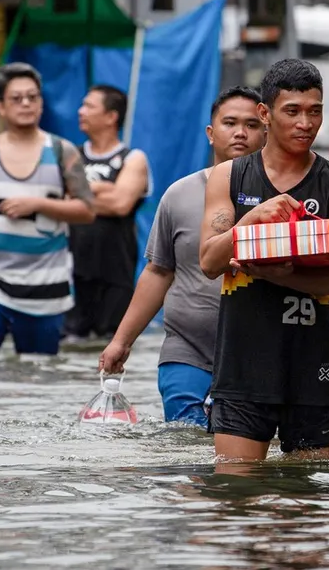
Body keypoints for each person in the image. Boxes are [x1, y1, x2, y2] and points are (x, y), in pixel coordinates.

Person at [199, 60, 329, 461]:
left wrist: (272, 271)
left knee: (310, 499)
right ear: (265, 114)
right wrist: (249, 224)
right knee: (235, 500)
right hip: (242, 362)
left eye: (314, 111)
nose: (305, 123)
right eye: (292, 111)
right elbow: (207, 260)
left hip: (312, 361)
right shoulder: (229, 177)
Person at [98, 87, 267, 426]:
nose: (240, 133)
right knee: (185, 447)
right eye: (229, 123)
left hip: (259, 352)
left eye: (251, 124)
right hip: (186, 350)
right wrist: (121, 341)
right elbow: (158, 273)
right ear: (210, 133)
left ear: (267, 132)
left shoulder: (280, 198)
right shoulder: (180, 195)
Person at [0, 63, 95, 356]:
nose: (26, 104)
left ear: (41, 103)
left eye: (32, 97)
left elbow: (87, 209)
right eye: (17, 98)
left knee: (39, 373)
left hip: (46, 288)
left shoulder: (63, 151)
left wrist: (38, 204)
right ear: (1, 107)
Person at [64, 84, 150, 343]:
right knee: (70, 345)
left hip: (116, 273)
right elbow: (57, 198)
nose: (81, 111)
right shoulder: (71, 156)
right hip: (72, 271)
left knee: (112, 346)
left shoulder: (133, 158)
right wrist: (103, 188)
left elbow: (120, 204)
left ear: (111, 116)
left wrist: (79, 194)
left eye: (89, 106)